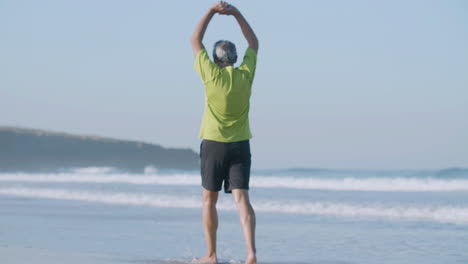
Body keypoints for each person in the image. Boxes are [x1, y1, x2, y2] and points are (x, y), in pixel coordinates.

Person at [190, 1, 259, 264]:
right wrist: (237, 14)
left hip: (214, 144)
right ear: (234, 58)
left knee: (209, 200)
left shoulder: (211, 76)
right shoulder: (245, 74)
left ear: (216, 60)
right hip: (240, 144)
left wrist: (210, 11)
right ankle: (251, 253)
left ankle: (211, 255)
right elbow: (254, 43)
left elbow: (195, 39)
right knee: (242, 199)